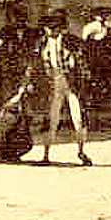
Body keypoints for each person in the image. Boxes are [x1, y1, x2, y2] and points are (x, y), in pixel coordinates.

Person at [37, 10, 92, 165]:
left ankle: (81, 152)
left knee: (78, 119)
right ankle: (46, 155)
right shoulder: (43, 42)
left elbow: (83, 63)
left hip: (72, 84)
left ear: (58, 27)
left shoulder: (72, 41)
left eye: (50, 26)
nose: (47, 29)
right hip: (54, 83)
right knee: (51, 118)